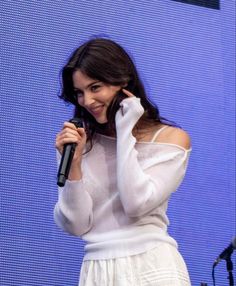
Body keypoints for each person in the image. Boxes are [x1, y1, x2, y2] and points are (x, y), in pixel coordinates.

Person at [54, 38, 192, 286]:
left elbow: (136, 203)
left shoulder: (171, 140)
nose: (86, 101)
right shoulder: (78, 142)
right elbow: (75, 224)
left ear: (122, 81)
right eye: (79, 92)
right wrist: (74, 164)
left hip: (153, 266)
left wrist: (125, 129)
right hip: (97, 269)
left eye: (95, 87)